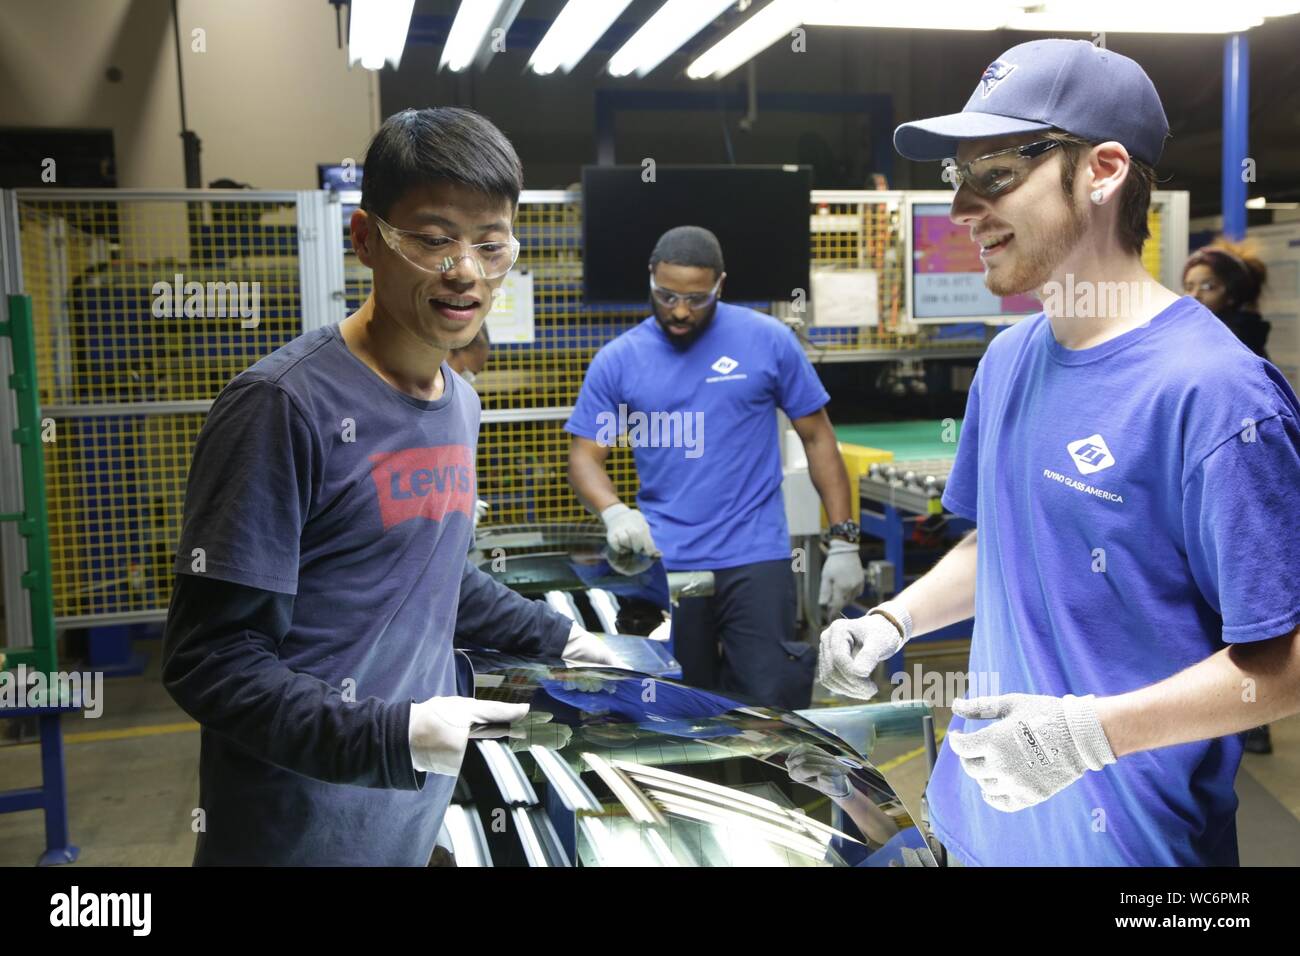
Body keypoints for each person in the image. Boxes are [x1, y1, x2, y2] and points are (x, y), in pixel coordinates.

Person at [820, 39, 1300, 866]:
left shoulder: (1218, 396)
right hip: (978, 825)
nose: (963, 209)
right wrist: (893, 622)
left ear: (1104, 170)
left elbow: (1283, 666)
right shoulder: (1009, 361)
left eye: (996, 174)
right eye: (958, 179)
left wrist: (1090, 736)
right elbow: (1000, 541)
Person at [161, 107, 616, 866]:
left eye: (490, 244)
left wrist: (565, 638)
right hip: (294, 836)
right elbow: (210, 661)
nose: (464, 270)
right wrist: (392, 736)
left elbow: (427, 570)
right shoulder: (284, 407)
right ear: (366, 240)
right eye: (434, 239)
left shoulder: (459, 402)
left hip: (404, 821)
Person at [565, 226, 864, 710]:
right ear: (650, 279)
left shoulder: (769, 341)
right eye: (666, 296)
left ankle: (768, 787)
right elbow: (585, 456)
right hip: (667, 563)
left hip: (756, 556)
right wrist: (615, 512)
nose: (680, 310)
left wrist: (845, 540)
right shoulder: (618, 361)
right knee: (678, 703)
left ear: (721, 285)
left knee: (769, 706)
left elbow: (817, 437)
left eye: (696, 298)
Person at [1183, 240, 1271, 359]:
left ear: (1232, 294)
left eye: (1208, 287)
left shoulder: (1235, 342)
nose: (1194, 295)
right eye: (1189, 287)